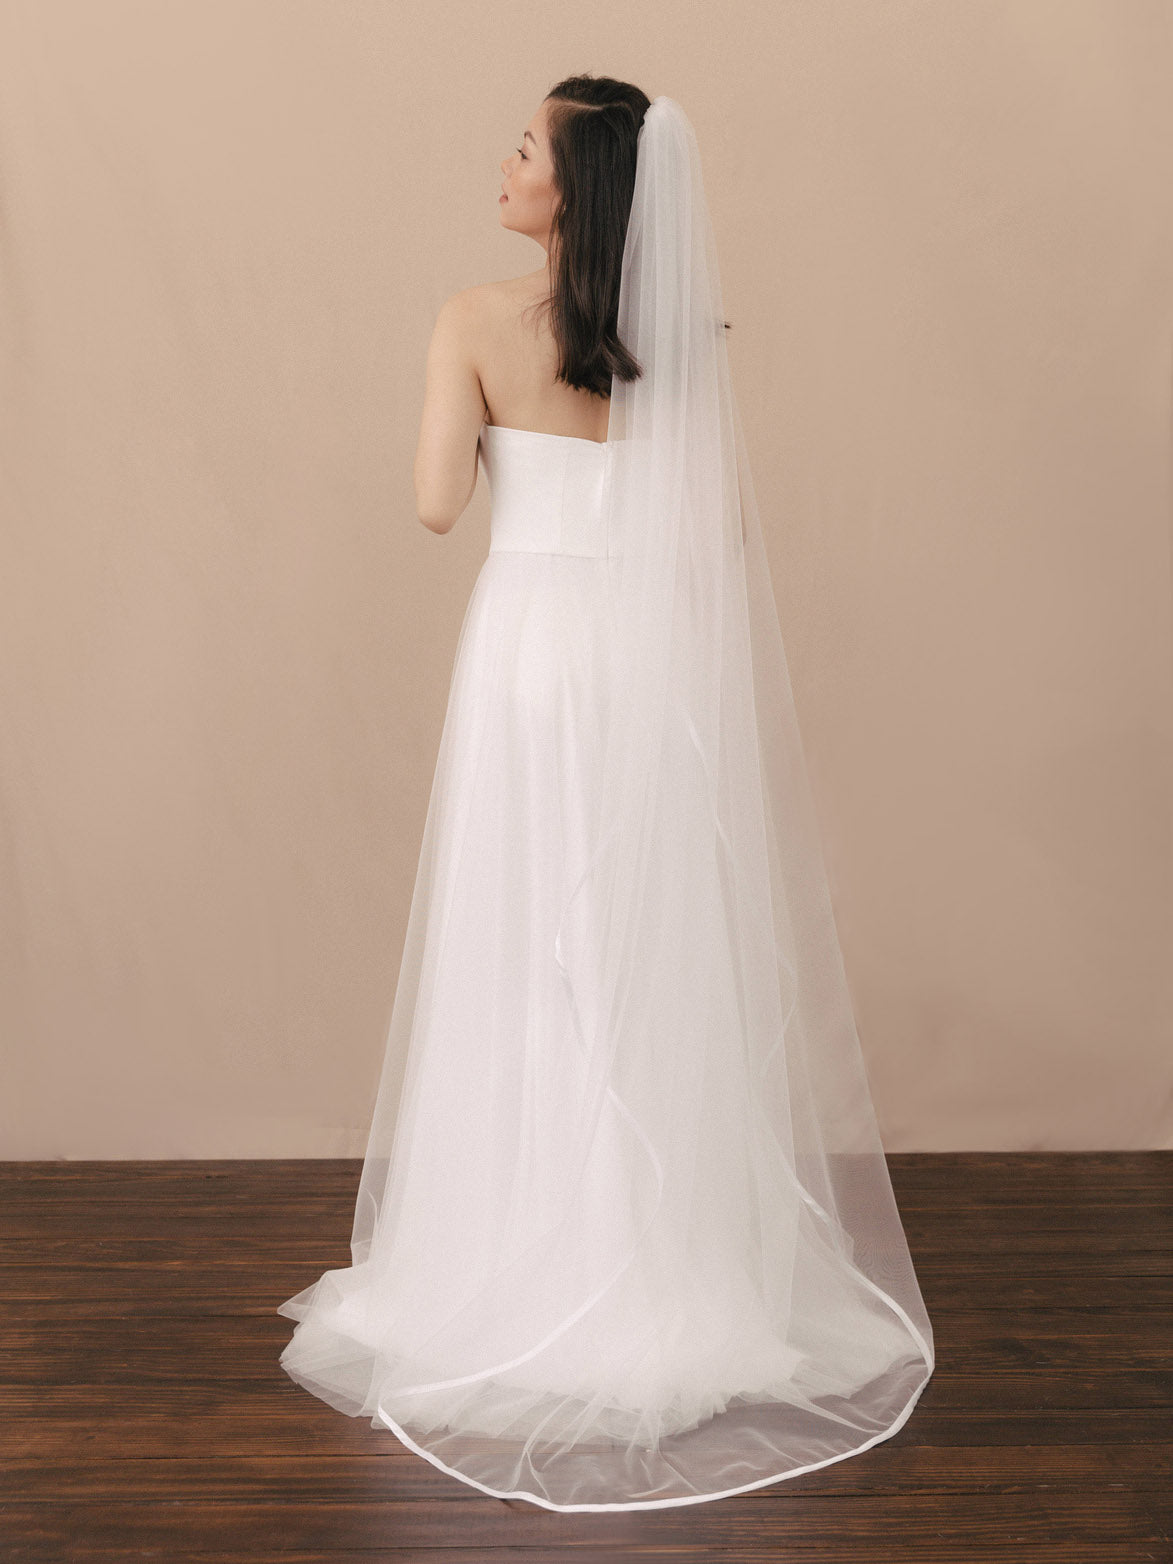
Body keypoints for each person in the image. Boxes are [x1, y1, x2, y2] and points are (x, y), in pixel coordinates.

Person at [277, 75, 935, 1513]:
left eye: (523, 147)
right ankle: (655, 1255)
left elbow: (436, 505)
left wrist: (457, 421)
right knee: (641, 952)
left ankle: (518, 1249)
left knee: (524, 943)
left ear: (572, 190)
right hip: (641, 666)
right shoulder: (681, 344)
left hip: (527, 654)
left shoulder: (468, 319)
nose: (502, 160)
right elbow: (717, 541)